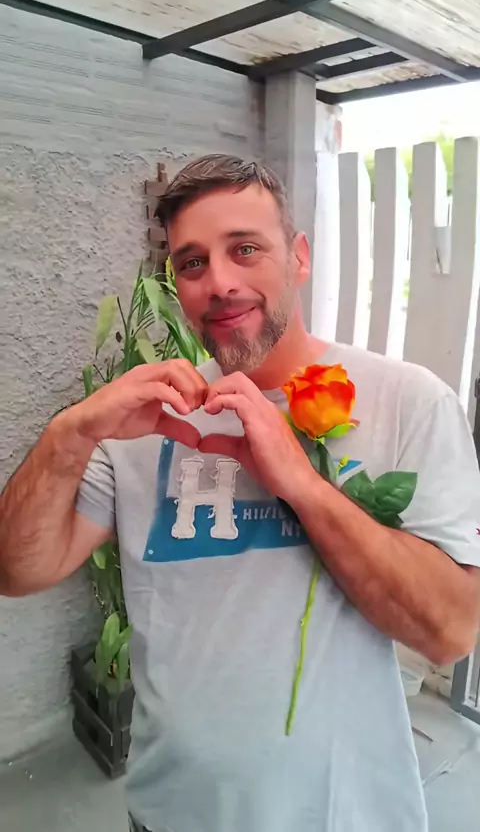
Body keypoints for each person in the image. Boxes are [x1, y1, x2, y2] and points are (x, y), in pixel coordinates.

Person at [1, 154, 480, 832]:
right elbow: (18, 571)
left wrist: (302, 485)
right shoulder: (146, 419)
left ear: (299, 257)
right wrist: (67, 435)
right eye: (192, 263)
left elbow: (450, 631)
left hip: (346, 816)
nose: (220, 282)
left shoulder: (408, 403)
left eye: (245, 249)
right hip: (169, 814)